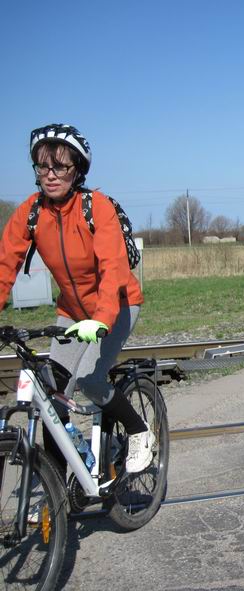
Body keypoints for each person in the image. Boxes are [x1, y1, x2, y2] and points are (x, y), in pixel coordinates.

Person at [0, 124, 153, 474]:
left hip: (118, 305)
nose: (50, 176)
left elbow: (113, 268)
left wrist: (101, 319)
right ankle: (58, 489)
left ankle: (139, 431)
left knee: (90, 381)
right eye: (42, 167)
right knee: (52, 397)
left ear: (77, 170)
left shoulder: (95, 207)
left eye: (60, 167)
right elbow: (4, 265)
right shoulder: (31, 212)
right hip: (71, 312)